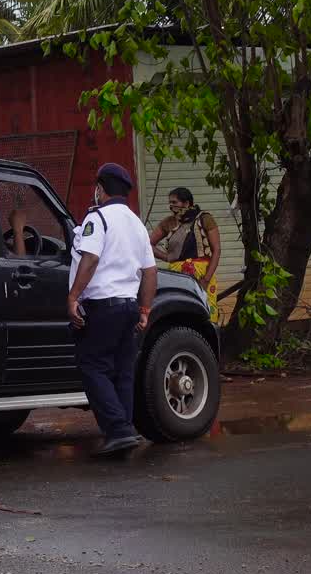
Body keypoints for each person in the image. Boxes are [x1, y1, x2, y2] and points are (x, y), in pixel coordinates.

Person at [68, 163, 158, 456]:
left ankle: (118, 429)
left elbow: (90, 259)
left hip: (103, 307)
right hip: (130, 306)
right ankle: (124, 431)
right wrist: (145, 309)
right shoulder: (137, 224)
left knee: (92, 366)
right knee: (123, 372)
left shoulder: (98, 219)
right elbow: (151, 272)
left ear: (101, 189)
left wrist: (73, 296)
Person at [148, 187, 221, 322]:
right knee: (181, 312)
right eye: (170, 203)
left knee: (206, 313)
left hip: (203, 275)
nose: (171, 206)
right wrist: (166, 257)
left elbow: (216, 250)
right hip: (177, 276)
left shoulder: (205, 219)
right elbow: (148, 244)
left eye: (175, 202)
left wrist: (205, 280)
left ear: (186, 203)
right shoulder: (169, 222)